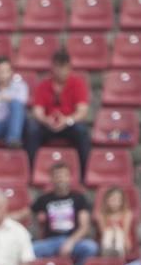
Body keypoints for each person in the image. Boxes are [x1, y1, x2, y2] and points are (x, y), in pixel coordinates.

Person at [24, 49, 91, 178]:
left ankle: (84, 174)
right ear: (53, 67)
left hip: (69, 124)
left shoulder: (77, 84)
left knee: (82, 131)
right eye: (58, 67)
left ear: (69, 68)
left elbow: (82, 111)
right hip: (47, 124)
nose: (61, 71)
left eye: (64, 68)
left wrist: (67, 120)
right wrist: (46, 120)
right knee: (32, 129)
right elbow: (37, 111)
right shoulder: (43, 85)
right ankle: (31, 172)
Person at [30, 163, 98, 265]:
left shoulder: (79, 198)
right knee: (31, 250)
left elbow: (84, 227)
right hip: (51, 241)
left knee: (91, 247)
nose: (60, 178)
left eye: (63, 175)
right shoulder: (44, 198)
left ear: (69, 177)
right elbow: (26, 213)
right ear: (52, 179)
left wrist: (70, 242)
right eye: (57, 176)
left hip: (74, 240)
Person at [96, 186, 132, 258]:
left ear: (122, 201)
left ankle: (119, 251)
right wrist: (112, 229)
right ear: (107, 201)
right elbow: (103, 232)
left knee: (118, 232)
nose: (115, 202)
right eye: (112, 199)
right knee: (109, 231)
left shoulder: (127, 214)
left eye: (118, 200)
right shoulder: (101, 214)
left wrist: (116, 229)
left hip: (123, 241)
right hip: (107, 241)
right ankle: (107, 251)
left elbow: (125, 232)